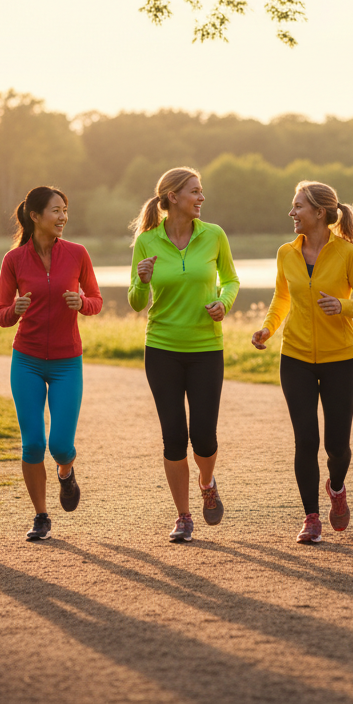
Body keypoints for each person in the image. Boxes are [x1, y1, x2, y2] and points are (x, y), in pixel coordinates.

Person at [251, 181, 353, 544]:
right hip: (296, 357)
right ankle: (311, 517)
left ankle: (336, 488)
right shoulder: (286, 253)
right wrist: (267, 328)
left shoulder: (348, 253)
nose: (292, 213)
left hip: (340, 359)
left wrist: (343, 306)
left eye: (298, 207)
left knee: (337, 446)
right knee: (305, 440)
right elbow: (281, 299)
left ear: (319, 213)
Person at [128, 167, 240, 543]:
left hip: (206, 348)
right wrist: (142, 282)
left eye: (201, 191)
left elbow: (231, 279)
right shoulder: (147, 242)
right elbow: (135, 302)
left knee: (204, 437)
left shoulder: (214, 235)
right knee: (173, 437)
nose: (201, 197)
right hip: (161, 348)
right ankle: (183, 515)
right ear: (173, 197)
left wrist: (224, 302)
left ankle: (207, 482)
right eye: (195, 191)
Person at [0, 186, 102, 541]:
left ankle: (66, 473)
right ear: (35, 216)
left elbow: (97, 299)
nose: (62, 218)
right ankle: (41, 515)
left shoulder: (77, 253)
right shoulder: (13, 261)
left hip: (66, 361)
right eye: (55, 211)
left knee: (60, 445)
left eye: (65, 210)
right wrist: (15, 310)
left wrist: (81, 303)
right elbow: (1, 314)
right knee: (32, 444)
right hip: (26, 360)